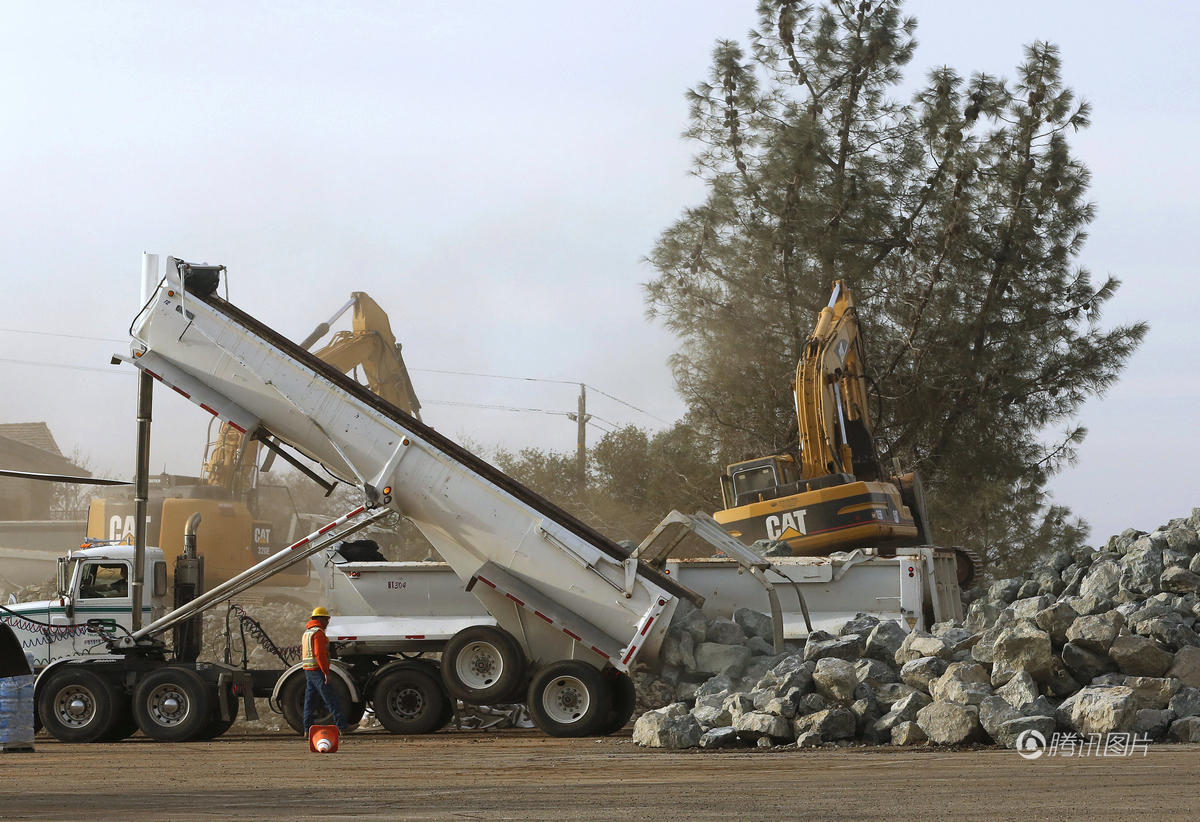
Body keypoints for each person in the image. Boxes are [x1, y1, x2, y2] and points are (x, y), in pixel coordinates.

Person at [301, 606, 347, 733]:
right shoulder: (318, 633)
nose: (327, 622)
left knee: (309, 701)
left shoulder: (307, 632)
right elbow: (319, 654)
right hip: (317, 670)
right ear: (320, 619)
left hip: (308, 670)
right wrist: (326, 672)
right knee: (330, 698)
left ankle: (307, 729)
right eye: (326, 619)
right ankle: (342, 727)